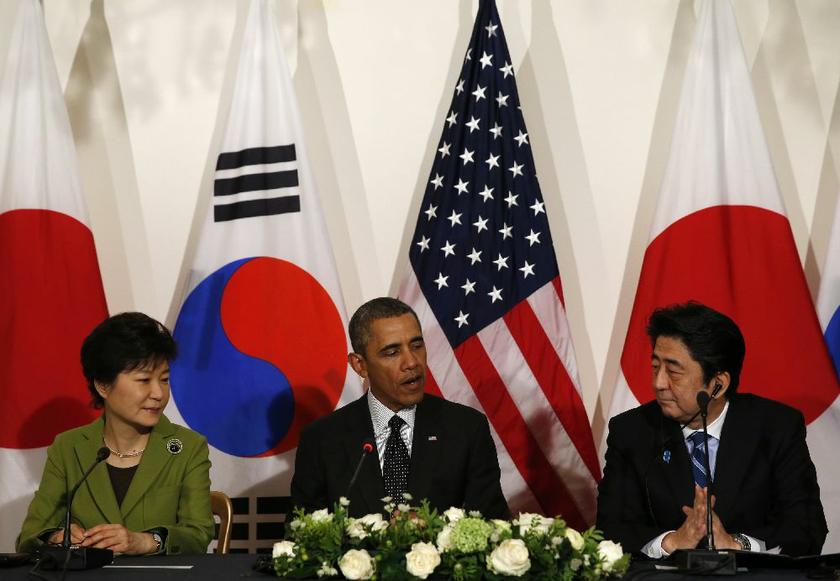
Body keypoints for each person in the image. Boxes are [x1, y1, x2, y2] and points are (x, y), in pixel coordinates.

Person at [597, 302, 827, 557]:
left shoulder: (776, 428)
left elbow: (807, 528)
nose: (659, 383)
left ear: (718, 384)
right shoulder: (631, 432)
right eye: (655, 367)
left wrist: (736, 544)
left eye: (673, 371)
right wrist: (671, 542)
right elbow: (608, 531)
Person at [291, 297, 509, 519]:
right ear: (360, 365)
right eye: (392, 352)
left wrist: (435, 530)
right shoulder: (322, 440)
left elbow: (493, 523)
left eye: (416, 346)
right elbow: (302, 533)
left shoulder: (466, 429)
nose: (412, 362)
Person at [17, 313, 214, 555]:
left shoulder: (188, 446)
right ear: (103, 386)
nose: (158, 393)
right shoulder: (68, 446)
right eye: (143, 380)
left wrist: (146, 541)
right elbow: (30, 535)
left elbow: (199, 533)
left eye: (164, 380)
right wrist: (56, 537)